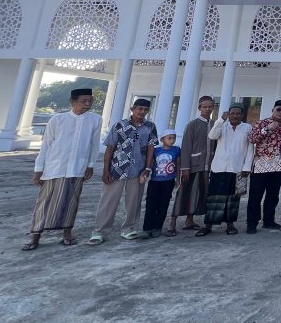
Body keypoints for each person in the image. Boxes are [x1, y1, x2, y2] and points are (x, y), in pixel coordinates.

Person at [22, 87, 102, 250]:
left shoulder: (95, 120)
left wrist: (90, 165)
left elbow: (94, 145)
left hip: (77, 167)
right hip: (55, 167)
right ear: (72, 101)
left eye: (90, 101)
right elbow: (46, 145)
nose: (88, 104)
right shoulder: (57, 119)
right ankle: (35, 236)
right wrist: (38, 169)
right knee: (44, 202)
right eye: (84, 101)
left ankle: (67, 233)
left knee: (71, 201)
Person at [89, 99, 158, 245]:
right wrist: (106, 170)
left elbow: (151, 148)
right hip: (117, 168)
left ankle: (128, 228)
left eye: (145, 109)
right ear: (132, 109)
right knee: (108, 200)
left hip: (138, 169)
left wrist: (147, 168)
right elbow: (110, 147)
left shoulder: (150, 127)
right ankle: (100, 230)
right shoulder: (120, 125)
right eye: (139, 109)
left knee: (134, 201)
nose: (142, 112)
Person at [197, 104, 253, 236]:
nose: (235, 116)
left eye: (238, 113)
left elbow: (250, 149)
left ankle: (230, 224)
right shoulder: (222, 125)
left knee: (232, 198)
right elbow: (212, 136)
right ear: (228, 114)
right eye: (232, 113)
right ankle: (208, 225)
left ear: (242, 115)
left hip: (236, 168)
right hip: (219, 167)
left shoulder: (247, 128)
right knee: (214, 198)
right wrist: (220, 120)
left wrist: (247, 167)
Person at [167, 95, 215, 236]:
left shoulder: (214, 124)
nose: (207, 109)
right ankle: (172, 224)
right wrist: (185, 168)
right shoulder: (192, 125)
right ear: (199, 108)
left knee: (199, 194)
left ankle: (190, 220)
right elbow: (186, 147)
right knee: (184, 193)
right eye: (205, 107)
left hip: (207, 166)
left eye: (210, 106)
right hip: (193, 166)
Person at [246, 99, 281, 233]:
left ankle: (268, 221)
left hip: (278, 166)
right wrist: (267, 129)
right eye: (278, 109)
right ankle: (252, 223)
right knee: (255, 196)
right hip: (261, 165)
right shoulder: (262, 123)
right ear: (273, 110)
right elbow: (252, 139)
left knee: (273, 196)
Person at [140, 130, 180, 238]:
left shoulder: (177, 150)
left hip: (168, 182)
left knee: (163, 204)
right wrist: (146, 173)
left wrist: (177, 179)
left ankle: (157, 228)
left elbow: (178, 164)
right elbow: (150, 163)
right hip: (154, 181)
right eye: (169, 138)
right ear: (162, 139)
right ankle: (147, 228)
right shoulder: (156, 150)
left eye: (174, 138)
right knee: (150, 204)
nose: (172, 140)